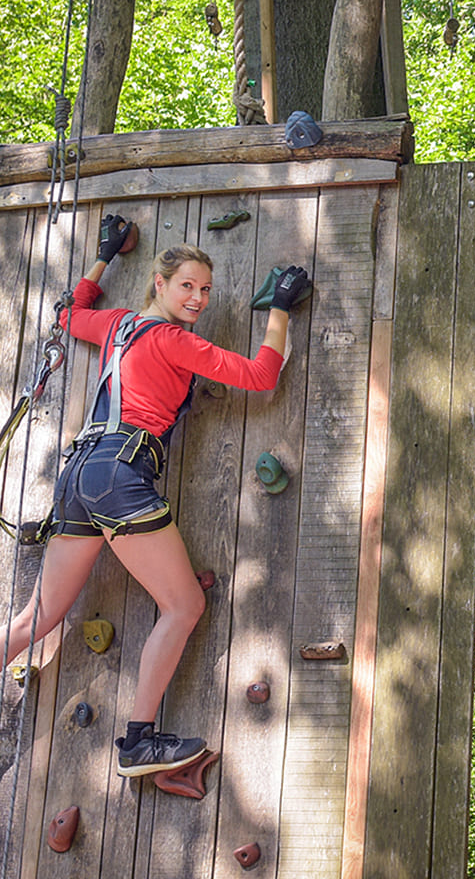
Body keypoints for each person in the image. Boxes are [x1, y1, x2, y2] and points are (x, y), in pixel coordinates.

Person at [0, 216, 310, 777]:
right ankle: (139, 741)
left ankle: (139, 739)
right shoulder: (174, 340)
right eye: (187, 285)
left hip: (79, 476)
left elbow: (68, 314)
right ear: (160, 284)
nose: (198, 298)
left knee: (35, 618)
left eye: (205, 289)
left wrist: (103, 256)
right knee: (185, 604)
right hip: (119, 475)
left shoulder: (117, 324)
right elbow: (263, 375)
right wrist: (281, 307)